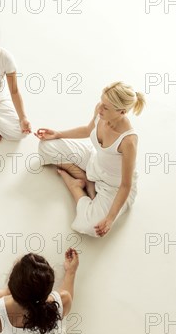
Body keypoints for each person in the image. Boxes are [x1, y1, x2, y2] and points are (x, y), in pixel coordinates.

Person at [35, 81, 146, 237]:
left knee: (92, 227)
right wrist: (58, 134)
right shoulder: (101, 111)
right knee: (46, 146)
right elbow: (88, 130)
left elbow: (126, 185)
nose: (99, 108)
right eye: (101, 101)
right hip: (94, 160)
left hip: (113, 186)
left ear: (121, 112)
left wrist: (110, 218)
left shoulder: (128, 141)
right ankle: (85, 179)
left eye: (105, 107)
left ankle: (76, 186)